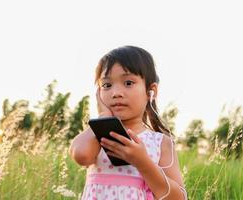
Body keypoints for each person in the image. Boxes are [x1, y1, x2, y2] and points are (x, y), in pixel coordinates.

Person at [69, 46, 187, 200]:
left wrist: (143, 162)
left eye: (128, 83)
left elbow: (178, 198)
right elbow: (81, 155)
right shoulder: (98, 136)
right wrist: (104, 116)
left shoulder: (160, 143)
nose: (116, 93)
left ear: (150, 92)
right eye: (107, 85)